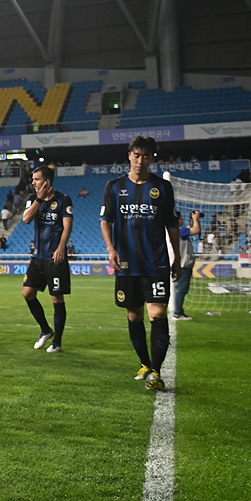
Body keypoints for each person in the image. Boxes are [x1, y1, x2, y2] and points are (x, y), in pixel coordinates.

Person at [99, 135, 181, 392]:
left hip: (156, 263)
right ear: (129, 156)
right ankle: (145, 364)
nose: (140, 160)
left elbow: (172, 225)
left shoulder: (162, 188)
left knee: (157, 314)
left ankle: (156, 371)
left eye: (145, 156)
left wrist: (177, 258)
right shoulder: (114, 186)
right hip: (126, 264)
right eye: (136, 155)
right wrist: (111, 249)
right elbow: (106, 220)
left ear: (151, 158)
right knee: (134, 315)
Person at [21, 165, 74, 353]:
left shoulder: (63, 199)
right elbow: (26, 219)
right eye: (33, 179)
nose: (33, 183)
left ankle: (57, 342)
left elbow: (67, 226)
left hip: (54, 258)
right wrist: (39, 198)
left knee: (56, 297)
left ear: (47, 181)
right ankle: (45, 330)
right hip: (37, 257)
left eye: (36, 179)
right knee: (27, 293)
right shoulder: (33, 199)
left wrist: (61, 248)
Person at [172, 210, 201, 321]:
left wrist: (194, 221)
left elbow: (192, 229)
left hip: (178, 263)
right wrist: (196, 218)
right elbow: (196, 230)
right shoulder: (180, 231)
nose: (182, 220)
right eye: (181, 218)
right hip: (183, 264)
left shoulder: (176, 231)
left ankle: (179, 311)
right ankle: (177, 313)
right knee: (181, 289)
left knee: (180, 289)